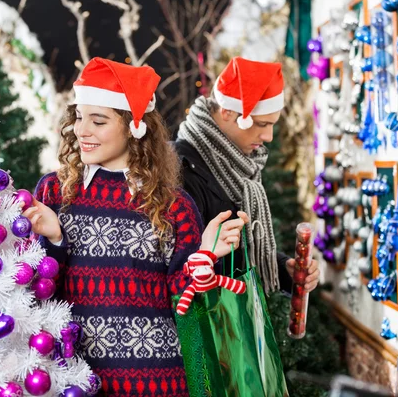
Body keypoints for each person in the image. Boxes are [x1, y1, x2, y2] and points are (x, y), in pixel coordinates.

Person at [23, 57, 248, 397]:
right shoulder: (54, 193)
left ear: (134, 126)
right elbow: (31, 296)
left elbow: (188, 309)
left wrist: (205, 255)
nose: (82, 131)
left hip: (157, 384)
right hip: (71, 380)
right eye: (79, 118)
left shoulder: (174, 206)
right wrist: (54, 240)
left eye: (98, 121)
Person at [176, 56, 319, 294]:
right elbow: (175, 269)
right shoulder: (179, 169)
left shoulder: (241, 165)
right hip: (203, 320)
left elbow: (243, 251)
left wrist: (284, 271)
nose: (269, 137)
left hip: (236, 318)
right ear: (228, 112)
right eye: (262, 124)